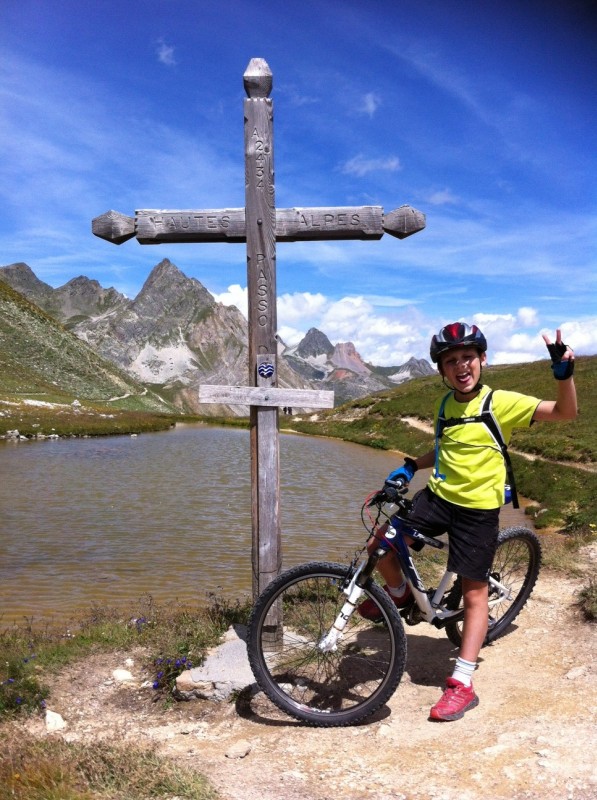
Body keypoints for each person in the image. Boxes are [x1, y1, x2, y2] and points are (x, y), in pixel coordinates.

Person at [358, 322, 577, 721]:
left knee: (474, 593)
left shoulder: (501, 402)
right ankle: (401, 595)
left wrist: (563, 376)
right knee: (382, 544)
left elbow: (566, 413)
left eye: (467, 357)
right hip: (438, 498)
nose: (461, 366)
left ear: (482, 360)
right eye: (451, 360)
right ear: (442, 370)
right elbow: (444, 448)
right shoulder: (445, 406)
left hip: (478, 511)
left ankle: (462, 683)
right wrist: (410, 466)